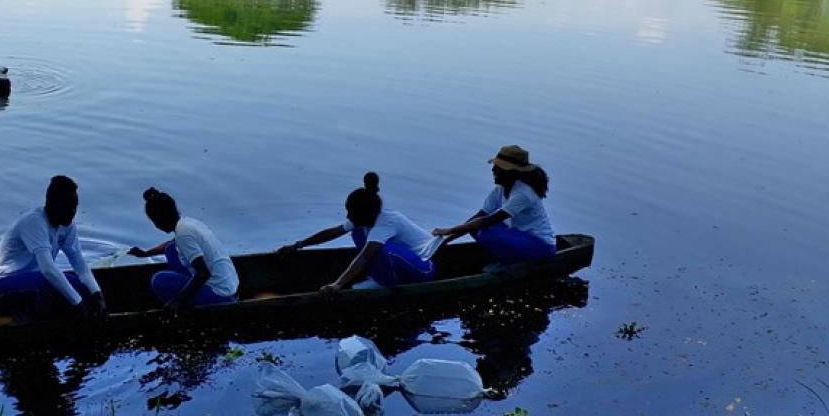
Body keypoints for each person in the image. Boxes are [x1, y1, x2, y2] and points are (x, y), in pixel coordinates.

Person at [278, 172, 440, 292]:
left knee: (377, 251)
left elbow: (363, 257)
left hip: (424, 268)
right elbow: (332, 232)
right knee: (357, 233)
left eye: (351, 212)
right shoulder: (365, 217)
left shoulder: (387, 222)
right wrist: (298, 245)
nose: (348, 216)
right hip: (404, 262)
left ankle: (386, 285)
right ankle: (378, 277)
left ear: (364, 214)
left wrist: (338, 285)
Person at [0, 176, 106, 320]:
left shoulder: (67, 226)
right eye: (68, 206)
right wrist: (77, 303)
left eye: (75, 206)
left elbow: (79, 264)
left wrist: (97, 294)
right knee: (57, 285)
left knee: (80, 287)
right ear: (53, 204)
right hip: (0, 287)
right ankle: (20, 320)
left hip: (35, 281)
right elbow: (48, 268)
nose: (73, 211)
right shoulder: (34, 222)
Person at [432, 145, 555, 266]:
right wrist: (446, 241)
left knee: (485, 233)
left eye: (499, 168)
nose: (493, 170)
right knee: (475, 227)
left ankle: (508, 264)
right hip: (517, 234)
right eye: (495, 167)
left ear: (513, 172)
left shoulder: (524, 194)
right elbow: (480, 216)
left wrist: (450, 230)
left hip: (540, 245)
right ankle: (504, 255)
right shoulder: (501, 188)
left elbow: (489, 220)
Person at [127, 188, 238, 310]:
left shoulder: (183, 234)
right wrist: (145, 253)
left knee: (159, 280)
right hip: (229, 286)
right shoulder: (187, 223)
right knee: (170, 249)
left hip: (221, 295)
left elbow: (203, 274)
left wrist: (177, 301)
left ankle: (185, 311)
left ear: (159, 221)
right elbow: (170, 244)